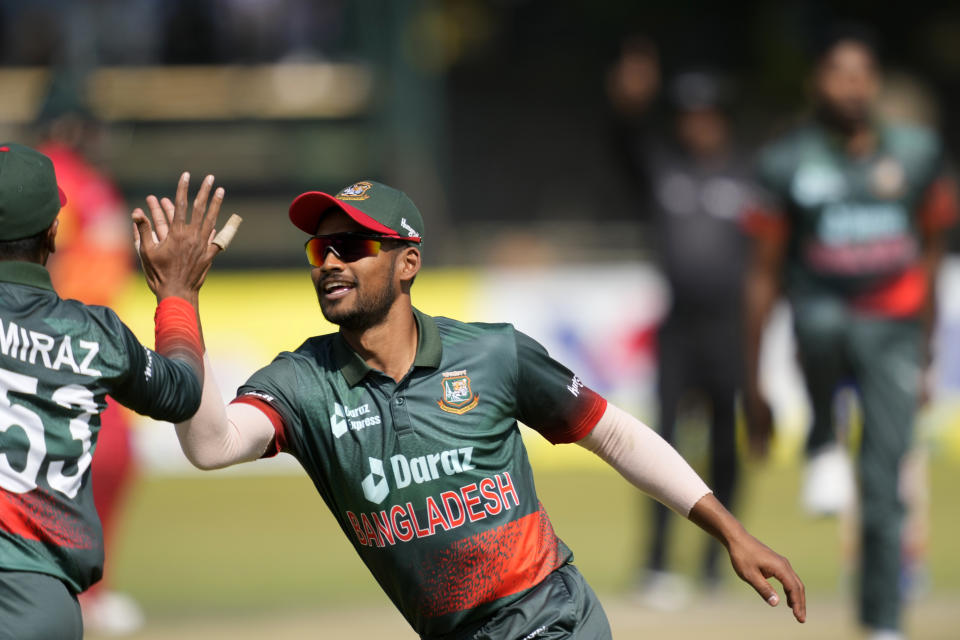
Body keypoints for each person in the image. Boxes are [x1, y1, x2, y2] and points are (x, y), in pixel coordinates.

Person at [160, 178, 806, 639]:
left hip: (555, 620)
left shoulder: (494, 354)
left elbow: (617, 437)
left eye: (353, 247)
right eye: (319, 250)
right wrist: (178, 300)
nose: (330, 261)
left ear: (407, 262)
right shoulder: (302, 381)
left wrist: (732, 532)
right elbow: (211, 446)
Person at [743, 34, 957, 640]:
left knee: (887, 486)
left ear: (878, 82)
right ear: (817, 82)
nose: (852, 86)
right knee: (821, 320)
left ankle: (883, 621)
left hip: (894, 331)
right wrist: (753, 382)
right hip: (819, 322)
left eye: (864, 73)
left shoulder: (916, 153)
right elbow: (761, 274)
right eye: (839, 73)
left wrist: (927, 352)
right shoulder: (787, 161)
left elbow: (932, 250)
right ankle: (820, 438)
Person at [0, 149, 225, 640]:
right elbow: (183, 392)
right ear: (55, 232)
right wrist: (178, 294)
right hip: (43, 605)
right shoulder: (94, 335)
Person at [608, 51, 752, 604]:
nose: (699, 124)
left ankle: (720, 561)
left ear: (723, 118)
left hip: (730, 329)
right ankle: (658, 563)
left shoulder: (747, 174)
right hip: (679, 328)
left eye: (709, 114)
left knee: (724, 447)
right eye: (688, 115)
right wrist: (628, 102)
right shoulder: (665, 170)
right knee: (660, 441)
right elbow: (622, 144)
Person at [35, 95, 145, 634]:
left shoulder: (84, 180)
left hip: (90, 336)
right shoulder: (53, 180)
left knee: (114, 454)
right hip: (58, 336)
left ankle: (89, 587)